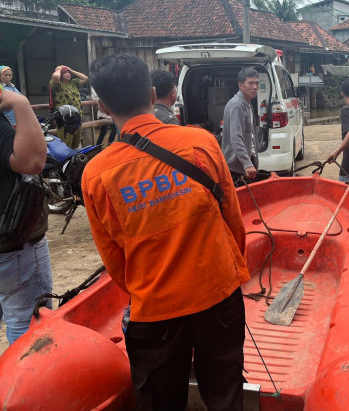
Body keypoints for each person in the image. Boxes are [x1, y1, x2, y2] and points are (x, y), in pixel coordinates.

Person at [82, 54, 250, 411]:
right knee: (226, 395)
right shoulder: (200, 143)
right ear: (153, 91)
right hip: (219, 297)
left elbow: (115, 261)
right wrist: (228, 278)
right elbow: (234, 223)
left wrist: (153, 287)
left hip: (154, 311)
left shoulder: (97, 175)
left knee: (160, 402)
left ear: (101, 105)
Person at [0, 83, 52, 344]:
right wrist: (20, 104)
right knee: (28, 326)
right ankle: (21, 384)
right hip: (13, 246)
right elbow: (32, 162)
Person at [222, 68, 258, 182]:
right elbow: (236, 138)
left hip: (246, 161)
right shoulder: (237, 105)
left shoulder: (247, 104)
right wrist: (247, 164)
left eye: (257, 83)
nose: (255, 87)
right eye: (250, 83)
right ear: (240, 85)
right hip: (237, 166)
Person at [50, 65, 88, 148]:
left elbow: (85, 78)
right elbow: (56, 76)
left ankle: (73, 160)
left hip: (77, 118)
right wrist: (59, 69)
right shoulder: (57, 85)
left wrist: (71, 70)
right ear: (61, 74)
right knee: (65, 144)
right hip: (65, 119)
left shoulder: (73, 83)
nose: (68, 74)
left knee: (75, 144)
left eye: (68, 73)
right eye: (65, 73)